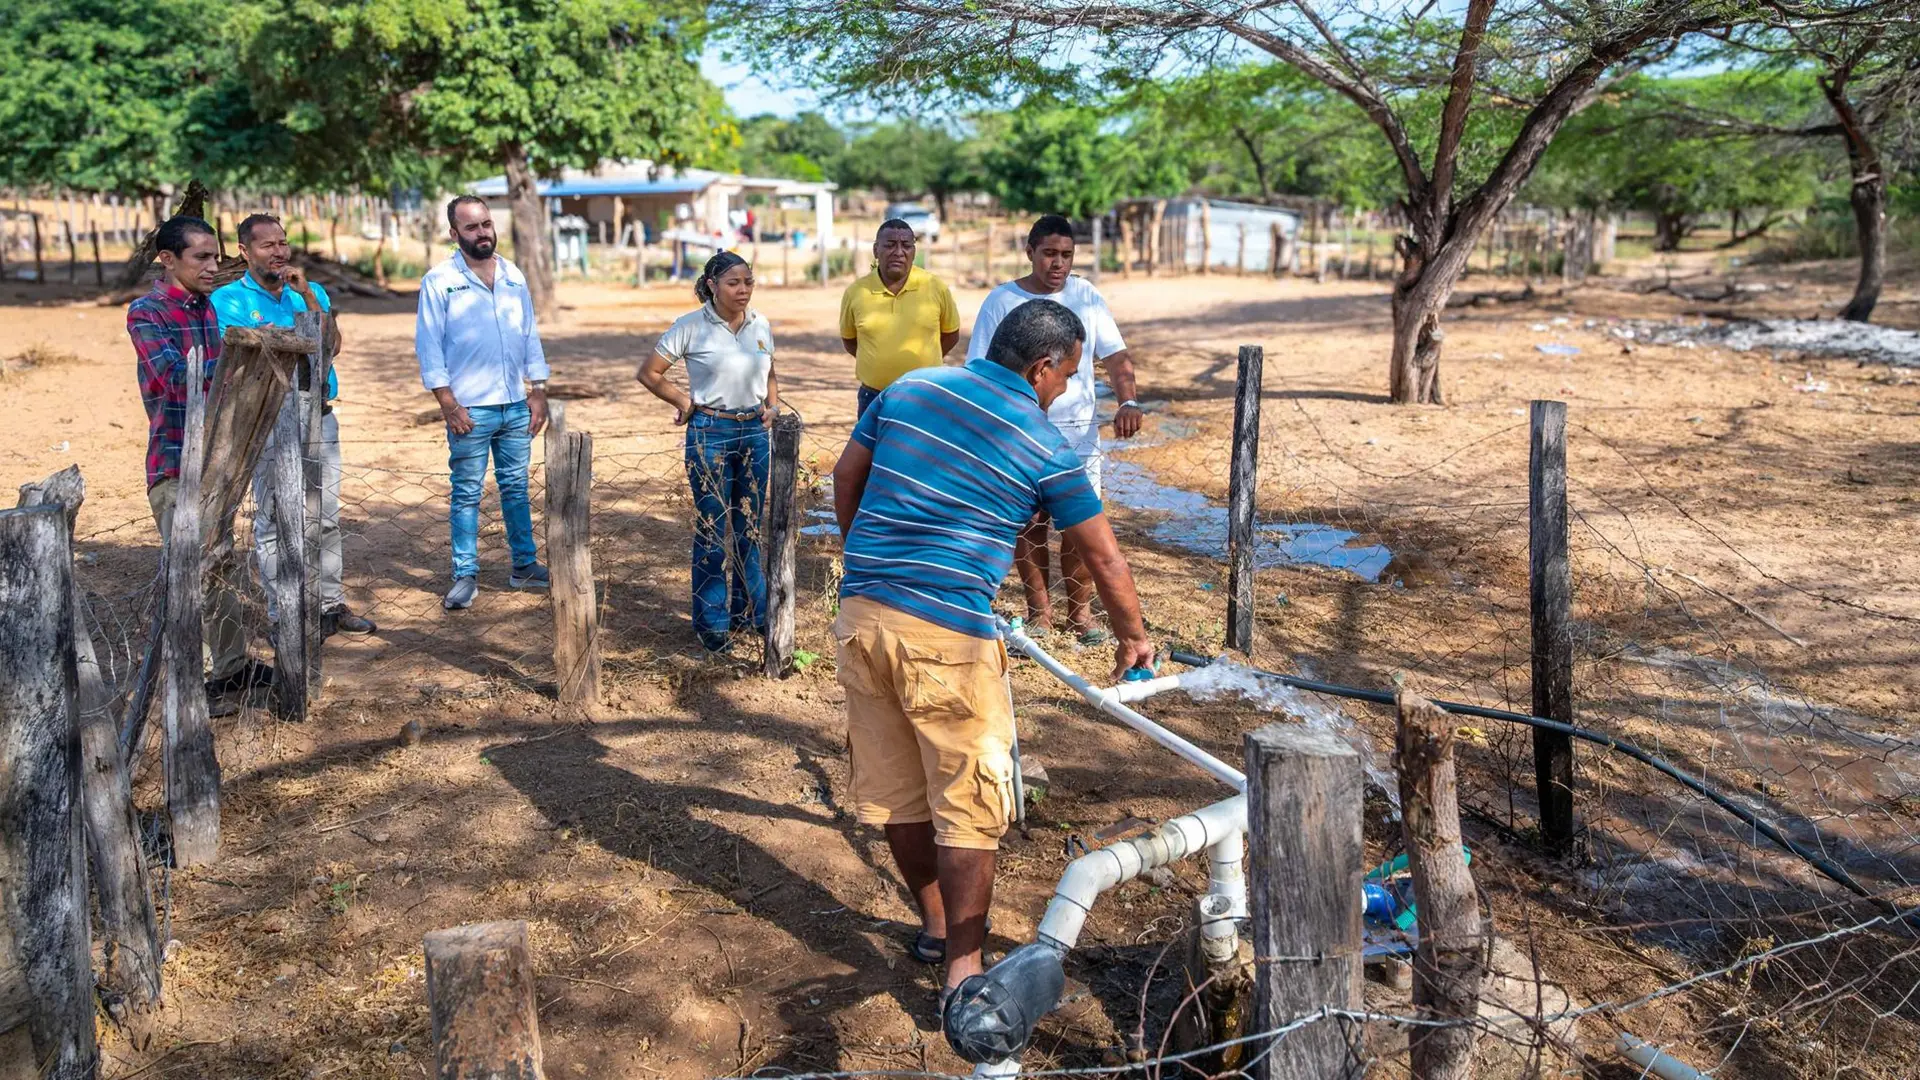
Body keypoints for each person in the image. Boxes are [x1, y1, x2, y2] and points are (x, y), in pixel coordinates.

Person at [830, 299, 1152, 1012]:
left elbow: (845, 476)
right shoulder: (1042, 442)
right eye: (1066, 375)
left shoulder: (910, 387)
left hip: (860, 617)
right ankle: (965, 974)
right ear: (1042, 367)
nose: (1066, 389)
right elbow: (1102, 556)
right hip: (947, 637)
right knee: (969, 806)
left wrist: (867, 558)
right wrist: (1133, 636)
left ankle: (937, 928)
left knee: (900, 791)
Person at [966, 215, 1142, 646]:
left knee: (1080, 526)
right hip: (1019, 436)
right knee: (1030, 524)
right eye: (1049, 253)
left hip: (1079, 437)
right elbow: (979, 368)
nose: (1058, 263)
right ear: (1030, 253)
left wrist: (1129, 400)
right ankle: (1039, 613)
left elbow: (1116, 358)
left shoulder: (1087, 296)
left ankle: (1080, 616)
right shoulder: (1001, 302)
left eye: (1066, 255)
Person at [129, 215, 270, 714]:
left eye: (215, 256)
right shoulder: (146, 313)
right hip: (173, 461)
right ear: (168, 260)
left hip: (216, 459)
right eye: (202, 258)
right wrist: (247, 352)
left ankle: (231, 668)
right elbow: (174, 377)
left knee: (219, 563)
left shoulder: (208, 309)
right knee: (191, 569)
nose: (214, 267)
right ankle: (195, 682)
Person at [211, 213, 375, 637]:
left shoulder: (310, 291)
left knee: (324, 516)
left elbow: (330, 346)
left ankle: (329, 605)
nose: (279, 252)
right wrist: (285, 338)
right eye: (267, 245)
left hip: (317, 412)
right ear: (245, 252)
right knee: (273, 518)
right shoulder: (227, 298)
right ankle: (284, 613)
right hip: (266, 418)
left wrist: (309, 300)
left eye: (282, 243)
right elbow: (248, 351)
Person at [636, 251, 780, 655]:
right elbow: (649, 373)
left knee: (749, 526)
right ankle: (712, 623)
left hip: (754, 433)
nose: (743, 290)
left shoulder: (760, 323)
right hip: (710, 434)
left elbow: (770, 370)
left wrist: (773, 404)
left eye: (749, 282)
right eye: (734, 283)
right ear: (712, 285)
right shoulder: (690, 327)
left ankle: (751, 613)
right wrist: (683, 401)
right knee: (714, 528)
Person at [415, 195, 550, 610]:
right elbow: (428, 344)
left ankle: (524, 566)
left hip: (514, 405)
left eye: (486, 224)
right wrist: (447, 402)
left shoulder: (513, 275)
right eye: (471, 227)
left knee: (515, 487)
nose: (482, 233)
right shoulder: (439, 280)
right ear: (455, 234)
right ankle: (464, 574)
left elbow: (528, 333)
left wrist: (539, 389)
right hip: (469, 410)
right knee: (467, 491)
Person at [840, 218, 961, 416]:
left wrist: (925, 363)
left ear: (914, 252)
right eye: (890, 245)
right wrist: (878, 363)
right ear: (876, 250)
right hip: (874, 396)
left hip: (926, 394)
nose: (898, 252)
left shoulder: (934, 286)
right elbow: (850, 341)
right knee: (873, 448)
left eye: (906, 245)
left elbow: (951, 335)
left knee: (923, 448)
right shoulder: (856, 292)